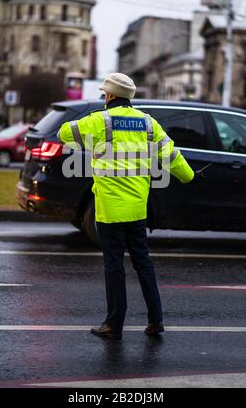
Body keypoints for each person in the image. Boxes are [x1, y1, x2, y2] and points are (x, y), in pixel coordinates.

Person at [58, 73, 195, 340]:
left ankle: (113, 324)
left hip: (109, 210)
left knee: (114, 265)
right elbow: (171, 154)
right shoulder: (147, 122)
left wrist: (91, 131)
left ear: (109, 96)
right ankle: (156, 320)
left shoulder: (100, 120)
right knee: (143, 263)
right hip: (137, 209)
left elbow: (65, 133)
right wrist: (189, 175)